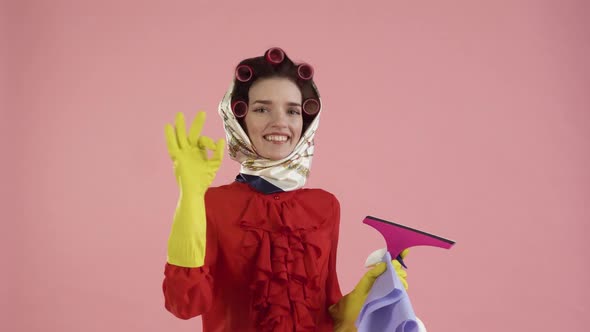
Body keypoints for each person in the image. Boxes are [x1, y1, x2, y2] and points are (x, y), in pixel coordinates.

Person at [162, 47, 414, 332]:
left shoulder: (325, 206)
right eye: (261, 109)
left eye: (292, 111)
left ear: (305, 122)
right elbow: (184, 305)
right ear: (239, 119)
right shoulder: (213, 204)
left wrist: (368, 296)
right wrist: (191, 196)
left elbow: (329, 311)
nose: (280, 122)